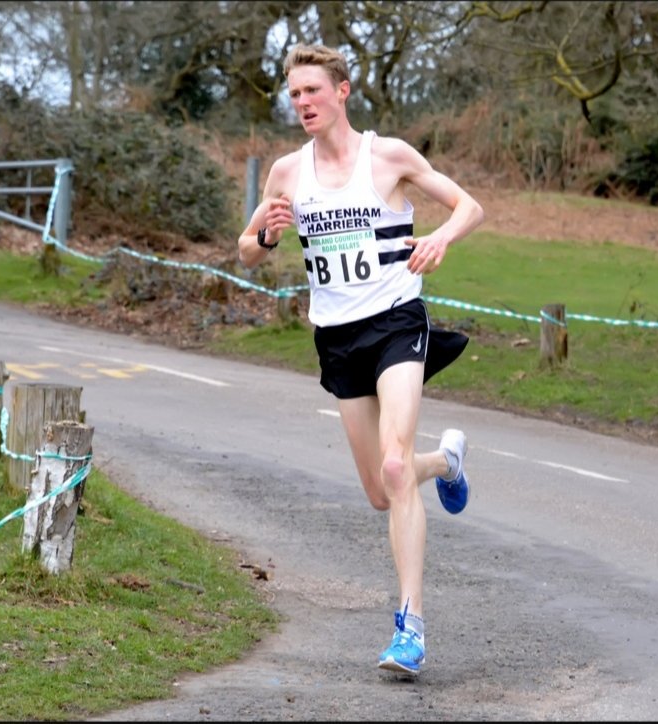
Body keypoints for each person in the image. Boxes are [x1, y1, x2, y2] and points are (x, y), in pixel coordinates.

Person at [237, 43, 484, 676]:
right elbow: (246, 250)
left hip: (397, 320)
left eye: (312, 91)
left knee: (396, 466)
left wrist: (439, 237)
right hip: (337, 336)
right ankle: (447, 461)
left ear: (342, 91)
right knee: (380, 489)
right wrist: (266, 236)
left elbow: (469, 206)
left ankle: (411, 628)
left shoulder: (389, 156)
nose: (302, 104)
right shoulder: (288, 173)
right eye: (293, 95)